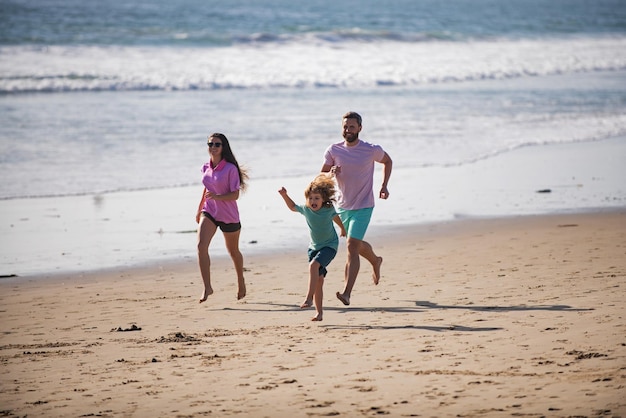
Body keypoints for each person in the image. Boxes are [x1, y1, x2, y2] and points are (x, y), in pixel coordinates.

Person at [321, 111, 392, 306]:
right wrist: (331, 173)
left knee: (351, 246)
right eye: (345, 126)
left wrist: (384, 185)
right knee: (356, 244)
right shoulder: (334, 150)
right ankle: (376, 260)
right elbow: (322, 176)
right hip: (343, 206)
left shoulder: (370, 150)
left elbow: (387, 161)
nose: (348, 130)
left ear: (360, 128)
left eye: (352, 126)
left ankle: (346, 293)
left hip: (364, 205)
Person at [278, 175, 346, 321]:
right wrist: (285, 195)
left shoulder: (328, 209)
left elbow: (335, 217)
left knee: (313, 266)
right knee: (319, 281)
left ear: (323, 199)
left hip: (330, 246)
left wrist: (342, 228)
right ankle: (319, 313)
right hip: (314, 248)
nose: (313, 201)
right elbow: (292, 207)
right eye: (311, 198)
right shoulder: (306, 209)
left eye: (316, 198)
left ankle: (308, 298)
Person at [195, 133, 248, 303]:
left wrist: (218, 197)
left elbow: (235, 194)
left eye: (217, 144)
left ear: (223, 147)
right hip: (209, 211)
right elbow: (206, 189)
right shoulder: (206, 167)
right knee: (201, 246)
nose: (213, 147)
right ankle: (207, 287)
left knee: (233, 252)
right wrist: (199, 209)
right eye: (210, 144)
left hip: (228, 215)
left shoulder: (230, 169)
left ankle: (241, 280)